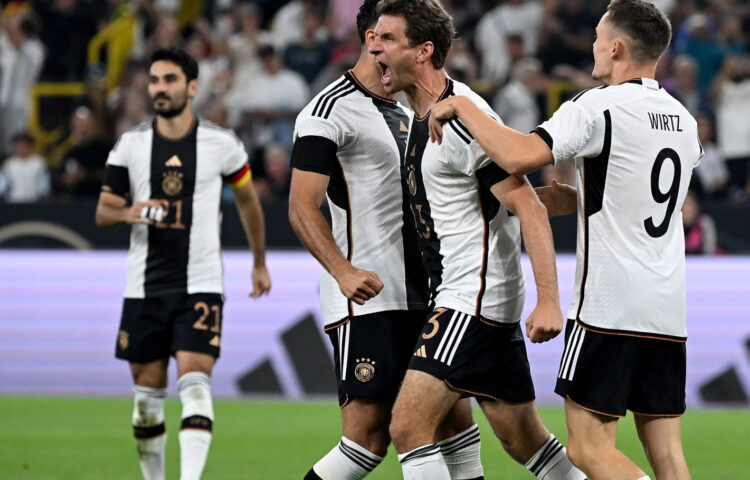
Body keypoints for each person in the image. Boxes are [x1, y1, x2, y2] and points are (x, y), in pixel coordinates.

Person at [428, 1, 702, 479]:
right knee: (669, 454)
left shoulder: (597, 105)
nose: (593, 45)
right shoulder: (684, 121)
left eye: (598, 37)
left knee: (588, 449)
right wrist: (581, 200)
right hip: (666, 305)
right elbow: (654, 200)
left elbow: (517, 156)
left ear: (616, 47)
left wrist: (463, 105)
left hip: (608, 305)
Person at [369, 2, 585, 479]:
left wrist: (550, 300)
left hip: (472, 297)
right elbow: (497, 200)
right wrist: (556, 200)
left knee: (408, 426)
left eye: (387, 38)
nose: (374, 47)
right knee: (522, 439)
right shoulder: (422, 115)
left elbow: (526, 207)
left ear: (423, 51)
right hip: (477, 297)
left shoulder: (461, 119)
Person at [289, 1, 484, 479]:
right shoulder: (327, 110)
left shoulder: (409, 107)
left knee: (455, 422)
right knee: (368, 439)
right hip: (370, 299)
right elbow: (300, 206)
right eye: (392, 33)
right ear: (373, 37)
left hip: (430, 293)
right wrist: (343, 272)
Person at [95, 47, 271, 480]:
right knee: (146, 402)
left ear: (192, 87)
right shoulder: (131, 145)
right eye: (155, 80)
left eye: (170, 79)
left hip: (201, 285)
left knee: (195, 386)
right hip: (144, 288)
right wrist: (130, 212)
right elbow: (103, 211)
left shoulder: (222, 144)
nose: (160, 88)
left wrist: (259, 262)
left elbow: (248, 203)